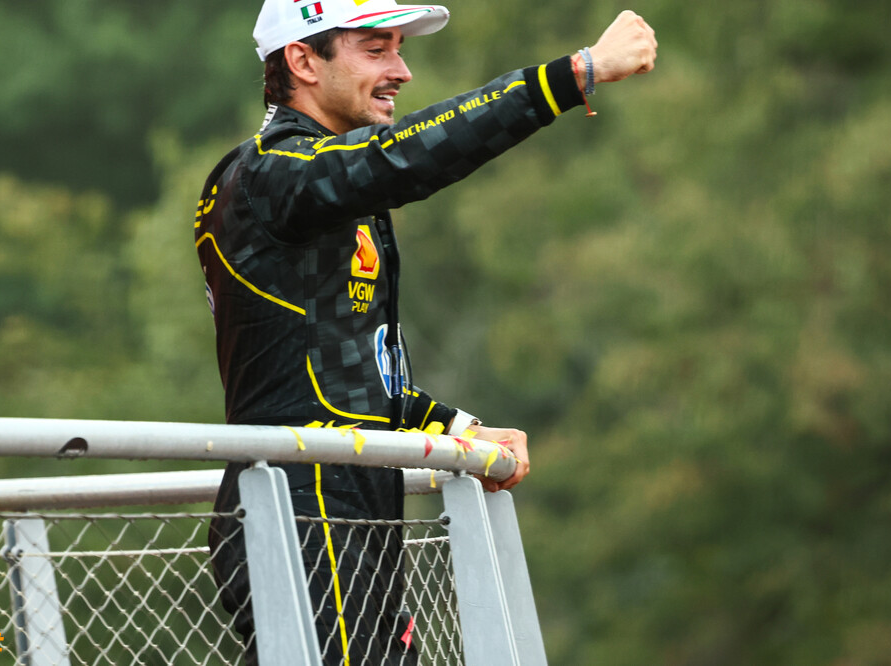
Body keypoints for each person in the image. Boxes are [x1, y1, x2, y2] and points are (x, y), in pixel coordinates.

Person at [197, 1, 657, 663]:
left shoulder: (326, 192)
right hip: (299, 516)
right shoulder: (271, 176)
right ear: (302, 60)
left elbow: (356, 376)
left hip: (352, 512)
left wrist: (457, 429)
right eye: (376, 49)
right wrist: (574, 73)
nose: (403, 70)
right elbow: (403, 156)